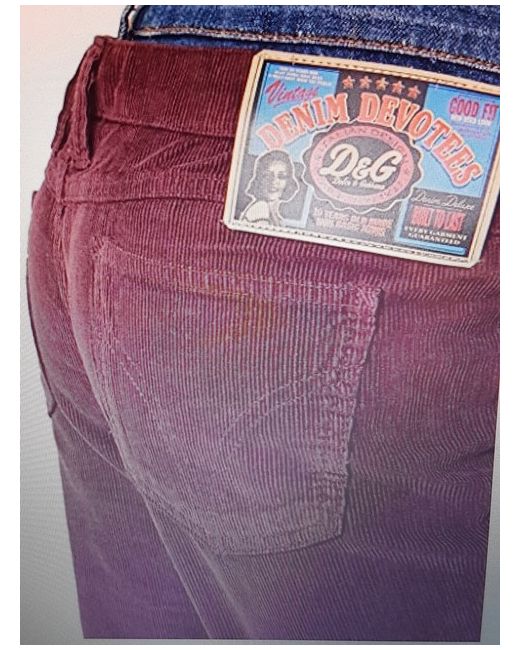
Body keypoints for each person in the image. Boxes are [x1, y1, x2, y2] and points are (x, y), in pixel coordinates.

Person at [240, 150, 298, 226]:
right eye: (268, 176)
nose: (274, 181)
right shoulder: (260, 207)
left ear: (288, 182)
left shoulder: (275, 215)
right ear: (260, 179)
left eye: (281, 176)